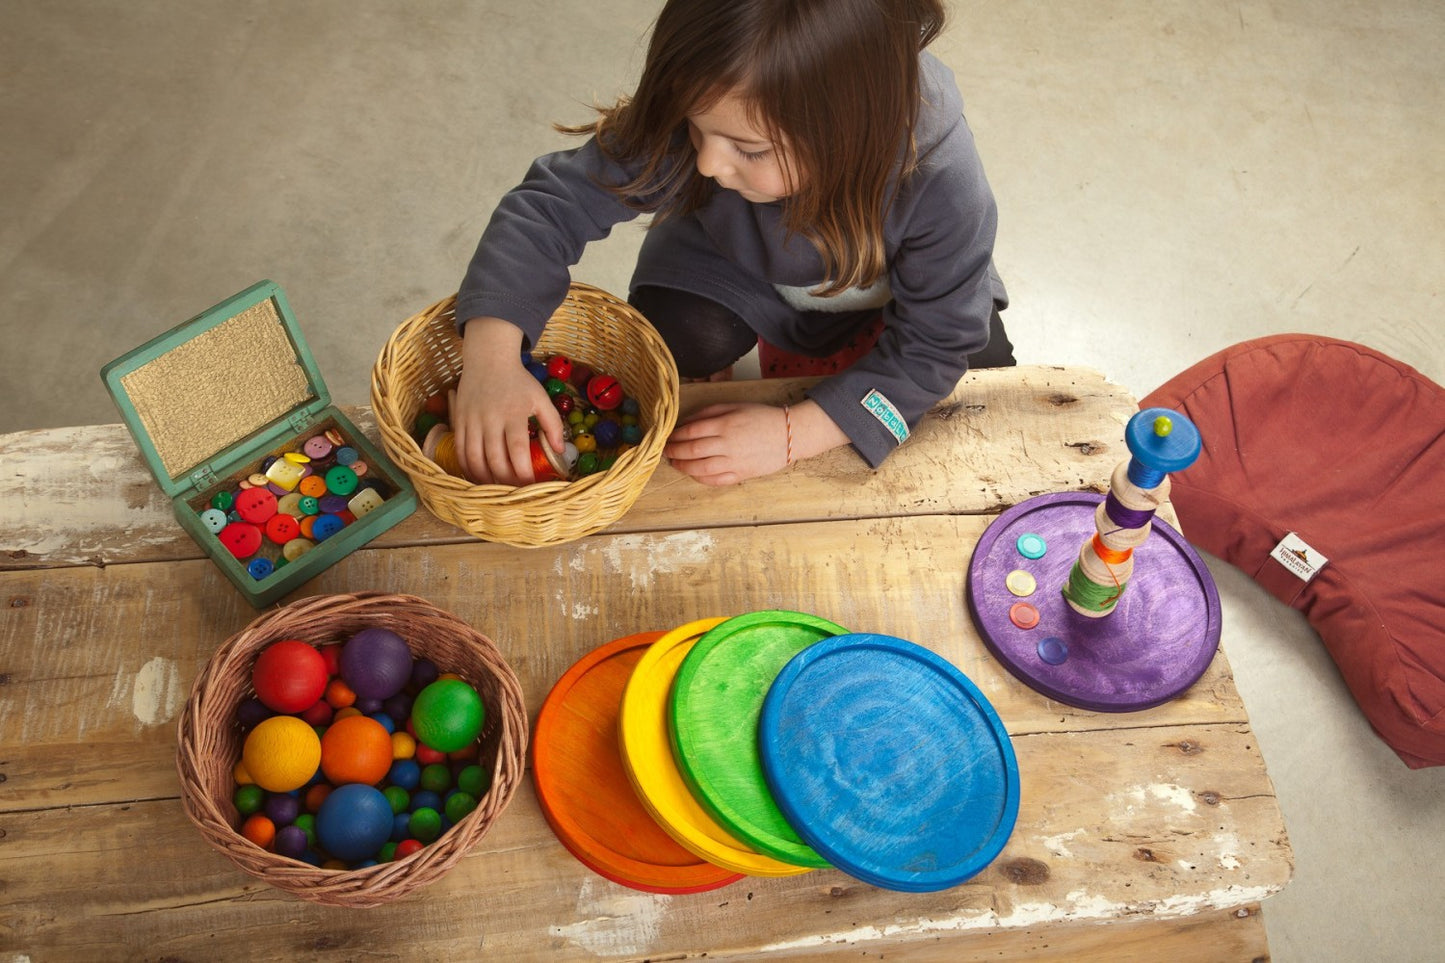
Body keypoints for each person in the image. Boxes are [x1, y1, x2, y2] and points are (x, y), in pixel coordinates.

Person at [452, 0, 1013, 487]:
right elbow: (550, 207)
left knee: (982, 368)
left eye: (750, 150)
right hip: (735, 265)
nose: (706, 163)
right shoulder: (725, 98)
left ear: (851, 136)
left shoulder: (943, 178)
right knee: (679, 334)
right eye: (696, 129)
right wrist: (492, 360)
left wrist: (794, 433)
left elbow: (938, 344)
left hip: (881, 298)